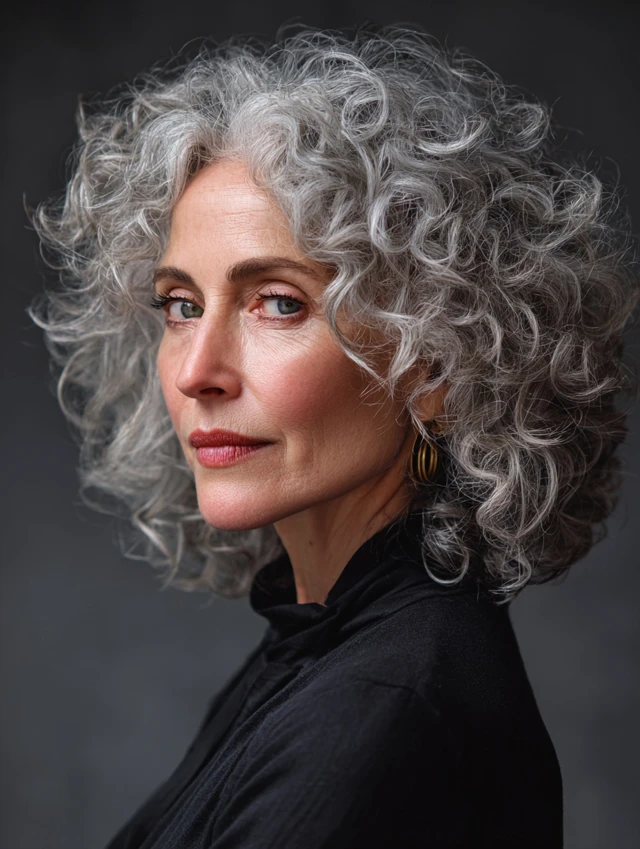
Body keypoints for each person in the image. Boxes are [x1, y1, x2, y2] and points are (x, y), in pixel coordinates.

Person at [30, 22, 638, 849]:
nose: (196, 370)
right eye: (181, 305)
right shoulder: (318, 643)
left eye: (278, 303)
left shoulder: (384, 714)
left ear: (434, 363)